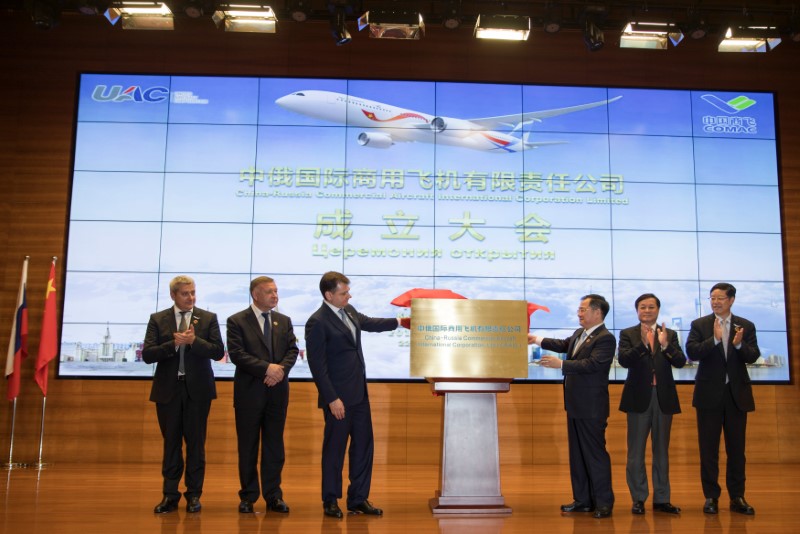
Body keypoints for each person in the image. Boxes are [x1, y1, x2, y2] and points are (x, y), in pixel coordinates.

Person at [304, 271, 407, 518]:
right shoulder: (317, 321)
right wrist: (332, 399)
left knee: (363, 447)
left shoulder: (349, 311)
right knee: (335, 450)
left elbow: (370, 323)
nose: (348, 296)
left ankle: (358, 499)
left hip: (359, 394)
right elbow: (317, 366)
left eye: (348, 292)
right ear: (329, 295)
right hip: (338, 399)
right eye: (343, 293)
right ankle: (330, 500)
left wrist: (401, 322)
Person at [142, 275, 224, 514]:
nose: (191, 297)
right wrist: (173, 345)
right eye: (186, 293)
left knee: (196, 445)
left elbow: (218, 351)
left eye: (193, 292)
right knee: (171, 445)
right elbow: (148, 355)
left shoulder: (208, 319)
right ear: (173, 295)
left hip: (198, 392)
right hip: (168, 391)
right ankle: (169, 495)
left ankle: (194, 495)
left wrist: (194, 341)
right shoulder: (158, 320)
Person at [529, 294, 616, 519]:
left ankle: (604, 503)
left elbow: (593, 364)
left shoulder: (606, 338)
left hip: (592, 406)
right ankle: (583, 500)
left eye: (582, 309)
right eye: (579, 310)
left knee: (595, 455)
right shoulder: (580, 333)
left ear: (598, 313)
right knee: (577, 455)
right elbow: (563, 344)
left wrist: (561, 364)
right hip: (575, 405)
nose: (579, 313)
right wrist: (536, 339)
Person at [686, 282, 760, 516]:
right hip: (709, 397)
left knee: (737, 450)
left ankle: (737, 496)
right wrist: (715, 340)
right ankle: (711, 497)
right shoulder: (700, 325)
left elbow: (753, 355)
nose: (715, 302)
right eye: (712, 298)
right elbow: (692, 352)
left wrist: (738, 345)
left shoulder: (745, 326)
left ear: (731, 300)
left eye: (720, 298)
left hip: (736, 396)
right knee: (708, 449)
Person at [227, 276, 299, 514]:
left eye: (276, 291)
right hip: (249, 394)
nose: (275, 295)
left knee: (274, 447)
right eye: (269, 291)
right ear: (255, 294)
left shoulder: (284, 321)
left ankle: (273, 496)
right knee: (248, 447)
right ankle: (248, 496)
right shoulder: (237, 321)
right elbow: (237, 354)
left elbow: (292, 350)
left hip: (277, 393)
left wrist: (280, 370)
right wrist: (267, 369)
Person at [617, 293, 686, 515]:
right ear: (637, 310)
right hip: (638, 398)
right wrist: (644, 345)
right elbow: (624, 360)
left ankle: (662, 499)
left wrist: (665, 346)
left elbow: (681, 362)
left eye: (651, 307)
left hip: (664, 397)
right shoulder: (627, 333)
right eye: (643, 307)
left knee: (661, 451)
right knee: (635, 452)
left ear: (658, 309)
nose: (647, 310)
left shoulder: (670, 334)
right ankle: (638, 498)